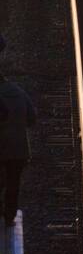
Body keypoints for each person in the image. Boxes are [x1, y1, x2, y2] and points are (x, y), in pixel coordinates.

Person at [0, 51, 37, 227]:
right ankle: (9, 216)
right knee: (13, 184)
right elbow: (32, 119)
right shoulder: (20, 92)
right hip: (19, 149)